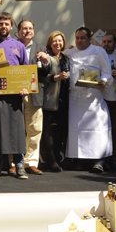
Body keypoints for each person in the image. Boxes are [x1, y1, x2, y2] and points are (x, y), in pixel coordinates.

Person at [0, 11, 29, 179]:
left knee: (16, 130)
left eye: (7, 24)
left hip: (14, 94)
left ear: (11, 26)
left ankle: (19, 165)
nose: (3, 26)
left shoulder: (19, 46)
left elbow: (26, 70)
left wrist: (25, 88)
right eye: (1, 23)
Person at [65, 26, 113, 168]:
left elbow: (106, 72)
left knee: (97, 129)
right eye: (77, 38)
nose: (79, 41)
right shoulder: (69, 53)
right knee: (77, 130)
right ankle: (79, 160)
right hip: (75, 99)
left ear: (89, 39)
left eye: (82, 38)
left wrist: (103, 82)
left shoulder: (99, 51)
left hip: (94, 98)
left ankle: (99, 161)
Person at [38, 30, 69, 173]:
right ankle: (50, 161)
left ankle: (58, 157)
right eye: (54, 41)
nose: (57, 43)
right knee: (47, 132)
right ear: (50, 43)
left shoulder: (66, 58)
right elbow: (41, 77)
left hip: (63, 100)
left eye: (60, 41)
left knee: (60, 132)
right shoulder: (45, 57)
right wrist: (55, 78)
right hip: (49, 100)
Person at [17, 20, 45, 175]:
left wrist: (46, 61)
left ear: (34, 31)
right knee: (15, 128)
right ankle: (15, 162)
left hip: (34, 94)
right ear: (19, 31)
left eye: (30, 28)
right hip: (16, 92)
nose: (27, 31)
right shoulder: (12, 45)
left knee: (34, 128)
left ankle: (31, 162)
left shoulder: (41, 48)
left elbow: (47, 71)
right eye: (24, 28)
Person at [95, 32, 116, 173]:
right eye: (104, 41)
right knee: (102, 131)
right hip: (102, 98)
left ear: (115, 43)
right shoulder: (98, 55)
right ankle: (102, 159)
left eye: (109, 41)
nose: (106, 44)